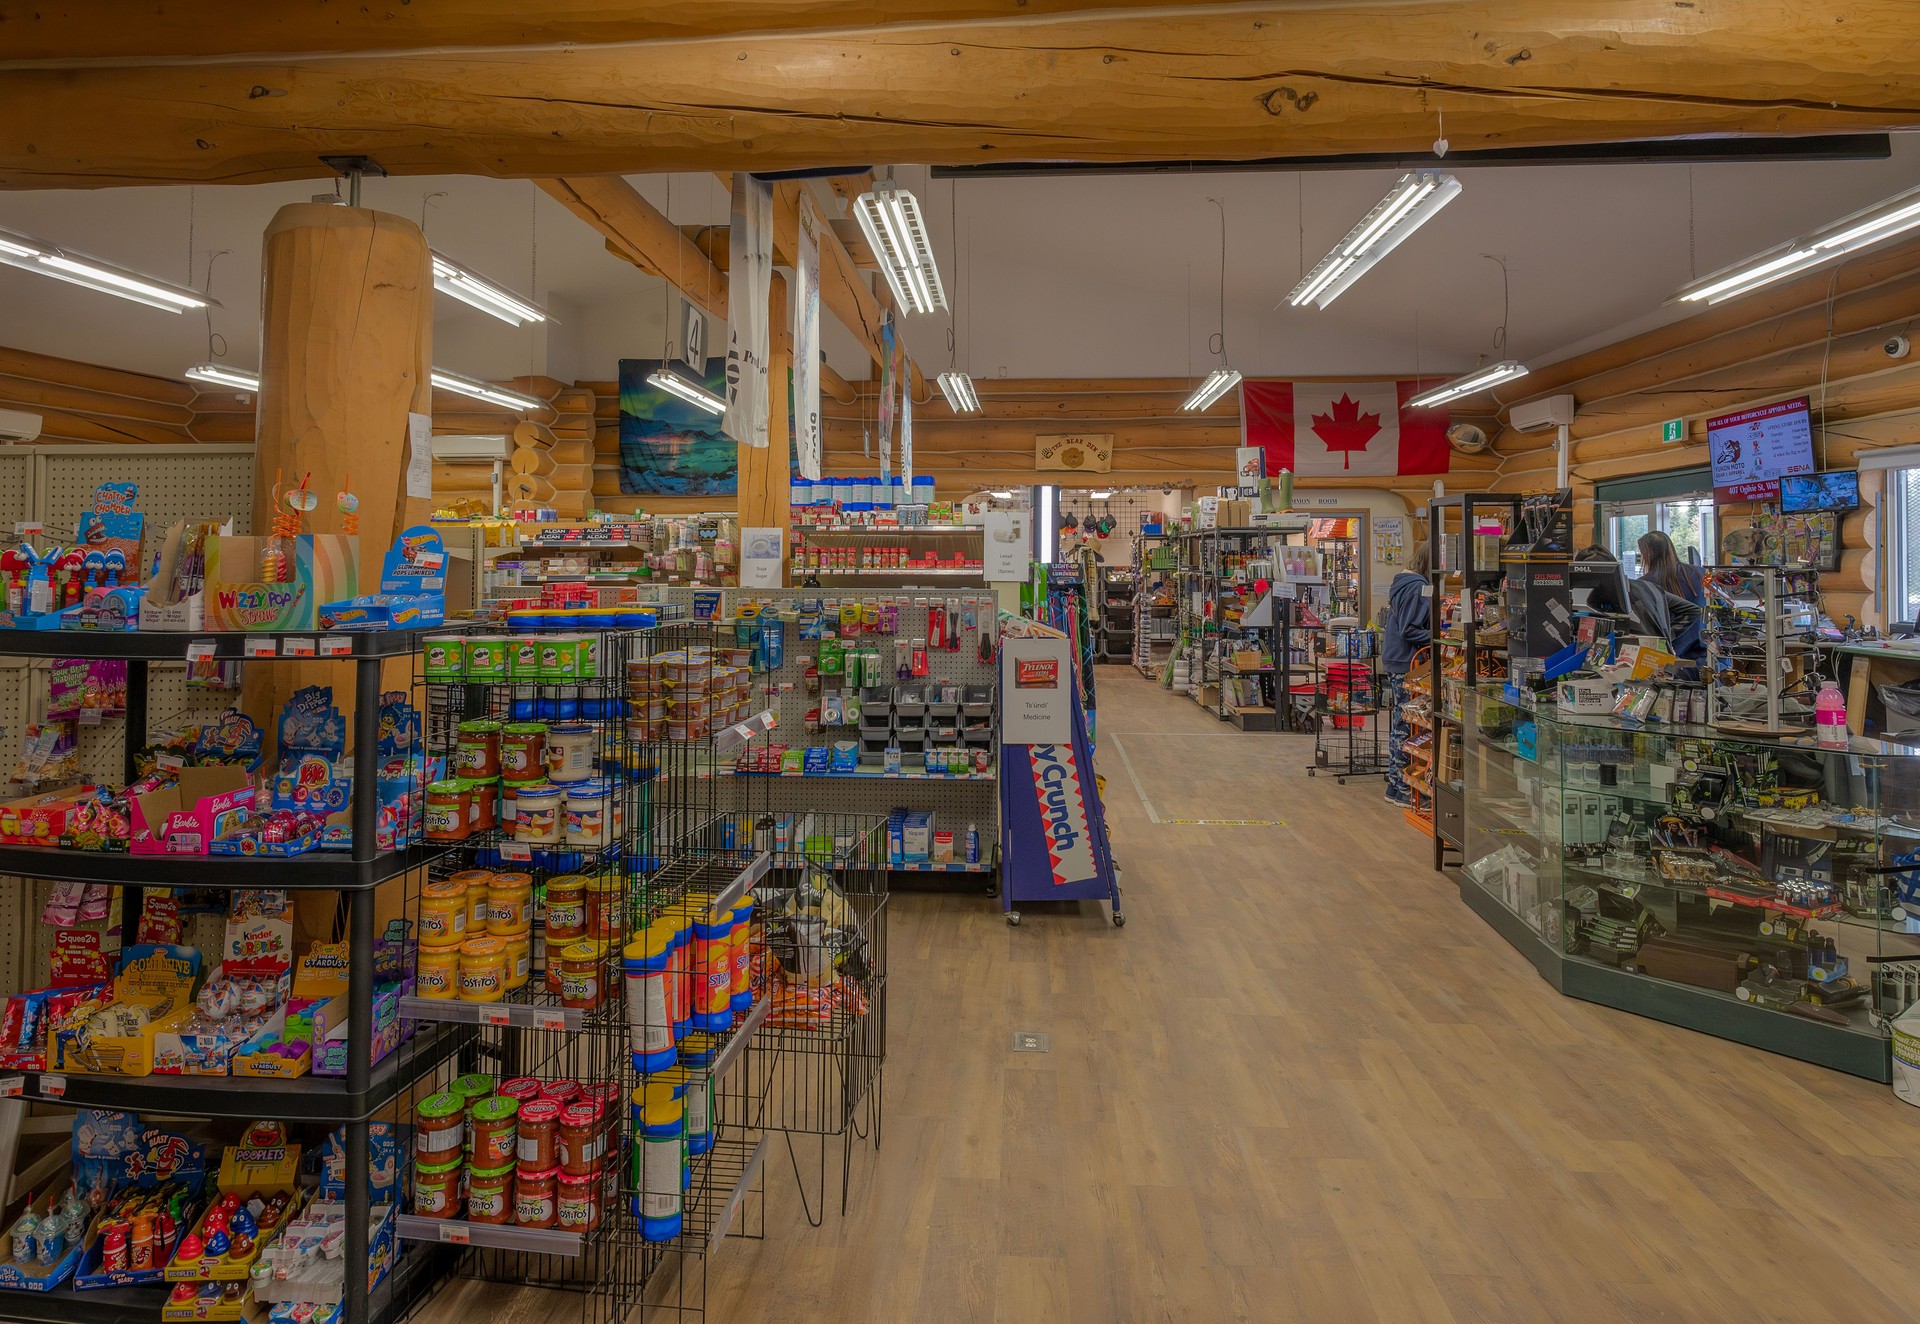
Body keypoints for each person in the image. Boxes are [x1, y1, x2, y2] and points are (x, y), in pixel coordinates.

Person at [1380, 542, 1432, 806]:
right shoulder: (1418, 586)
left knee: (1401, 722)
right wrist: (1437, 637)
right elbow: (1410, 629)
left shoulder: (1406, 582)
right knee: (1405, 725)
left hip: (1398, 659)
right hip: (1407, 661)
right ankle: (1403, 788)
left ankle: (1394, 784)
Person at [1636, 530, 1707, 663]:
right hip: (1703, 651)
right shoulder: (1699, 573)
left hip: (1670, 654)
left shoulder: (1645, 585)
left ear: (1647, 554)